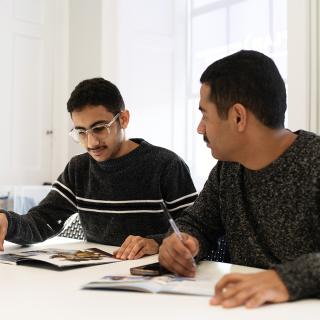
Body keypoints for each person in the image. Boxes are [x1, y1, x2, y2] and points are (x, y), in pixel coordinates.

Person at [159, 50, 320, 308]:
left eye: (205, 115)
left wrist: (285, 279)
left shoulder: (314, 162)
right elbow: (197, 222)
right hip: (241, 307)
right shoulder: (228, 168)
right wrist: (181, 242)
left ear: (238, 117)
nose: (200, 128)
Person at [0, 78, 197, 260]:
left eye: (100, 128)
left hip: (153, 276)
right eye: (81, 132)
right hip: (95, 279)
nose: (91, 142)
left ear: (124, 119)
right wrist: (7, 223)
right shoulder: (78, 169)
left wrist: (156, 242)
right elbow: (42, 222)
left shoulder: (166, 165)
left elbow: (195, 229)